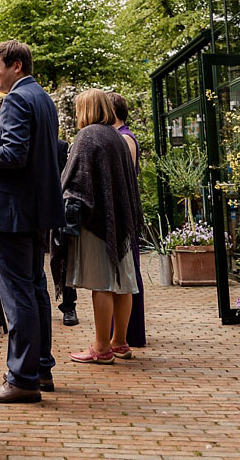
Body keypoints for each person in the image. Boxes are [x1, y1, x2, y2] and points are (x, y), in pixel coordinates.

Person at [0, 41, 64, 404]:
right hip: (34, 211)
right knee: (35, 289)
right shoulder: (43, 98)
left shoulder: (17, 99)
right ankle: (41, 368)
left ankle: (21, 378)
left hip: (12, 212)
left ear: (16, 65)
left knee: (18, 294)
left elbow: (15, 154)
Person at [62, 89, 143, 365]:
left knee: (103, 284)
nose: (75, 114)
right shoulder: (117, 137)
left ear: (86, 109)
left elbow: (75, 180)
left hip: (97, 220)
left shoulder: (88, 135)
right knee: (123, 282)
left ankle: (100, 347)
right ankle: (119, 342)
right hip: (121, 220)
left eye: (77, 108)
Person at [106, 91, 145, 348]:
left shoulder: (126, 139)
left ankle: (129, 333)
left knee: (128, 270)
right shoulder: (118, 137)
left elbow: (125, 178)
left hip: (124, 213)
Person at [53, 138, 79, 327]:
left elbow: (67, 177)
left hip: (56, 205)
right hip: (30, 207)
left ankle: (69, 306)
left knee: (62, 257)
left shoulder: (60, 146)